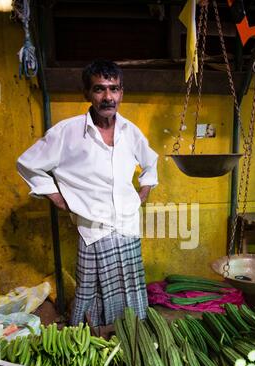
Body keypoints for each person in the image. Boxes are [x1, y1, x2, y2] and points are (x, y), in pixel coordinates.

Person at [17, 59, 158, 328]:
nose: (108, 97)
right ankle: (91, 335)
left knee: (131, 288)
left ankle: (130, 330)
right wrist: (55, 196)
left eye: (114, 89)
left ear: (121, 93)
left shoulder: (131, 132)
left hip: (127, 225)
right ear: (87, 93)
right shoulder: (67, 133)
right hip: (94, 230)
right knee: (92, 292)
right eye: (99, 89)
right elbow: (27, 163)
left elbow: (150, 162)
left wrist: (144, 190)